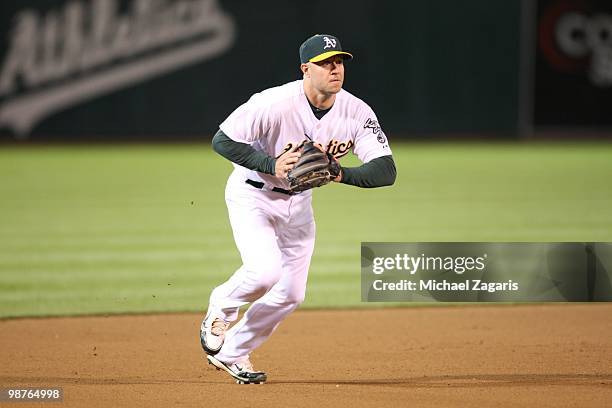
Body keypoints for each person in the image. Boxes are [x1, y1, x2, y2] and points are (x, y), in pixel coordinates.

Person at [200, 34, 396, 384]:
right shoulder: (272, 103)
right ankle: (221, 307)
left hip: (300, 203)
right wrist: (269, 163)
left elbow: (386, 170)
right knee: (263, 273)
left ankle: (231, 353)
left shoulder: (356, 111)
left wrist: (340, 172)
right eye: (326, 63)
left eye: (339, 62)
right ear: (306, 69)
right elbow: (222, 140)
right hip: (253, 195)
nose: (335, 69)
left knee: (291, 294)